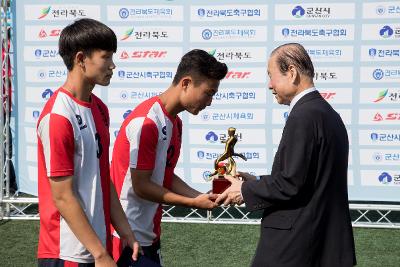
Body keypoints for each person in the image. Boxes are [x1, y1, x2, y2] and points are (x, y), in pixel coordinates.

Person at [216, 43, 357, 267]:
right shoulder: (329, 114)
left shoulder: (304, 115)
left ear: (291, 73)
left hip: (295, 245)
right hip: (322, 242)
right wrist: (257, 181)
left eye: (271, 76)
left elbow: (290, 183)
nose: (269, 85)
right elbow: (307, 179)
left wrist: (243, 189)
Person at [36, 18, 139, 267]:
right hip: (67, 253)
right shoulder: (58, 116)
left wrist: (124, 229)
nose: (113, 65)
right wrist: (100, 254)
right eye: (106, 57)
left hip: (95, 247)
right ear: (81, 59)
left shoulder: (99, 108)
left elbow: (103, 178)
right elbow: (62, 197)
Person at [110, 49, 228, 265]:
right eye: (209, 92)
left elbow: (165, 176)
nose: (210, 102)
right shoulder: (147, 123)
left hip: (149, 235)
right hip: (126, 238)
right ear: (186, 83)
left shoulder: (175, 123)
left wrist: (201, 196)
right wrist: (193, 202)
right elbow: (142, 186)